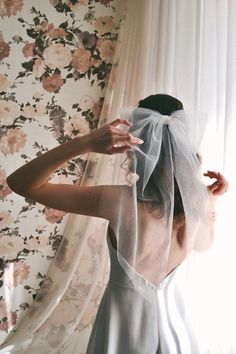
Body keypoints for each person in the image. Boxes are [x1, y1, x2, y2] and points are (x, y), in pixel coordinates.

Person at [7, 94, 228, 354]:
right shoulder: (198, 201)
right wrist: (209, 200)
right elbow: (204, 245)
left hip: (124, 325)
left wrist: (84, 143)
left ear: (137, 144)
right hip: (178, 327)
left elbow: (22, 184)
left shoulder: (118, 201)